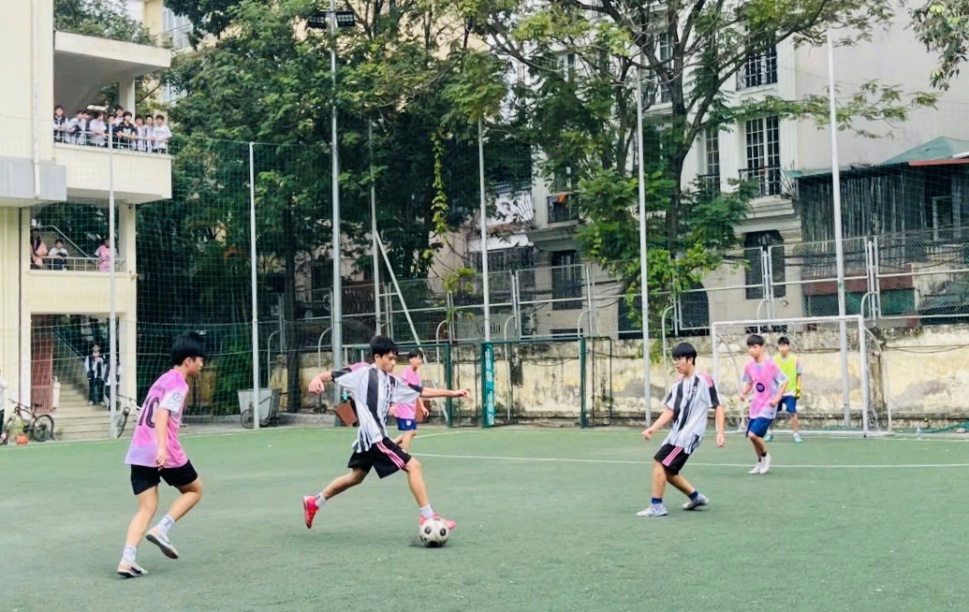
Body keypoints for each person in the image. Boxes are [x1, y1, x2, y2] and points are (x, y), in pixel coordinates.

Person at [302, 335, 468, 531]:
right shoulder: (362, 373)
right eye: (390, 358)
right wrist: (316, 378)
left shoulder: (392, 382)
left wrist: (452, 393)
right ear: (377, 357)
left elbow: (421, 391)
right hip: (374, 438)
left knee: (356, 477)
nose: (393, 362)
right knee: (414, 466)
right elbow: (331, 375)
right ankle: (428, 517)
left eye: (395, 359)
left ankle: (315, 502)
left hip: (368, 439)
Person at [117, 332, 206, 578]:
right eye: (200, 359)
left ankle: (127, 560)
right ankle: (162, 529)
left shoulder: (162, 380)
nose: (202, 364)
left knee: (146, 507)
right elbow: (162, 413)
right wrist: (162, 447)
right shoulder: (179, 383)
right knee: (194, 490)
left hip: (138, 449)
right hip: (162, 450)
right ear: (188, 361)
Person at [638, 343, 726, 517]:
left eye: (679, 359)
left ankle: (657, 506)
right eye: (674, 359)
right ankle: (696, 497)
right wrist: (652, 428)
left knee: (659, 463)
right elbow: (670, 410)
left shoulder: (704, 380)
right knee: (669, 471)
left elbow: (718, 406)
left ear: (690, 359)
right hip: (676, 434)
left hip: (688, 436)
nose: (676, 363)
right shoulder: (678, 384)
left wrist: (720, 432)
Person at [739, 334, 788, 475]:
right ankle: (760, 461)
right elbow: (749, 382)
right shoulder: (749, 366)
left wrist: (777, 398)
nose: (751, 350)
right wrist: (744, 393)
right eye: (749, 347)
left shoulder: (771, 365)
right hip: (756, 405)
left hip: (768, 405)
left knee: (753, 435)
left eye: (755, 347)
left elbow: (785, 381)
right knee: (753, 437)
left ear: (762, 348)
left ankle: (766, 456)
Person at [767, 336, 804, 443]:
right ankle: (769, 433)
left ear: (788, 347)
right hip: (777, 392)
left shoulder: (795, 360)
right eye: (780, 346)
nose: (782, 348)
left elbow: (799, 375)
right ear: (778, 347)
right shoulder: (774, 360)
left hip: (790, 391)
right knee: (772, 413)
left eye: (784, 346)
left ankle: (796, 434)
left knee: (792, 413)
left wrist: (798, 389)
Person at [390, 349, 429, 451]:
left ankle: (393, 443)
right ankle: (404, 454)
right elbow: (399, 388)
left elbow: (418, 392)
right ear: (410, 360)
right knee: (410, 431)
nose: (418, 360)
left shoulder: (416, 375)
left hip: (410, 407)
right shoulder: (406, 372)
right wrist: (394, 405)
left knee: (413, 431)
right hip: (404, 406)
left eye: (420, 358)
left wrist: (422, 406)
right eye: (415, 358)